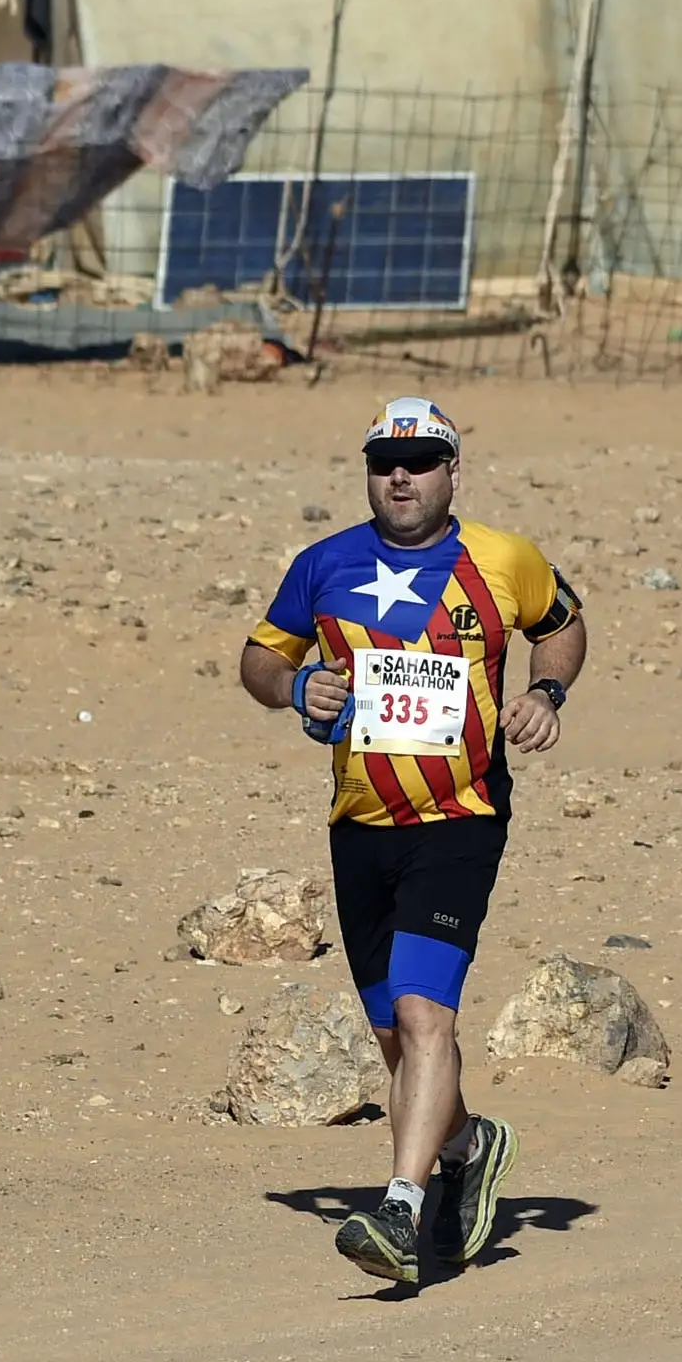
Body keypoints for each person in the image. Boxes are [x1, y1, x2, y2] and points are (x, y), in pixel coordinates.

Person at [238, 397, 587, 1288]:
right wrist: (296, 688)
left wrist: (545, 694)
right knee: (395, 1037)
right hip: (357, 825)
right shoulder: (323, 564)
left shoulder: (502, 559)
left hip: (460, 819)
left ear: (451, 471)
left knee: (429, 1015)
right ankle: (470, 1144)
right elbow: (258, 658)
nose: (402, 475)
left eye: (422, 459)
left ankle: (401, 1205)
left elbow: (563, 627)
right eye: (386, 460)